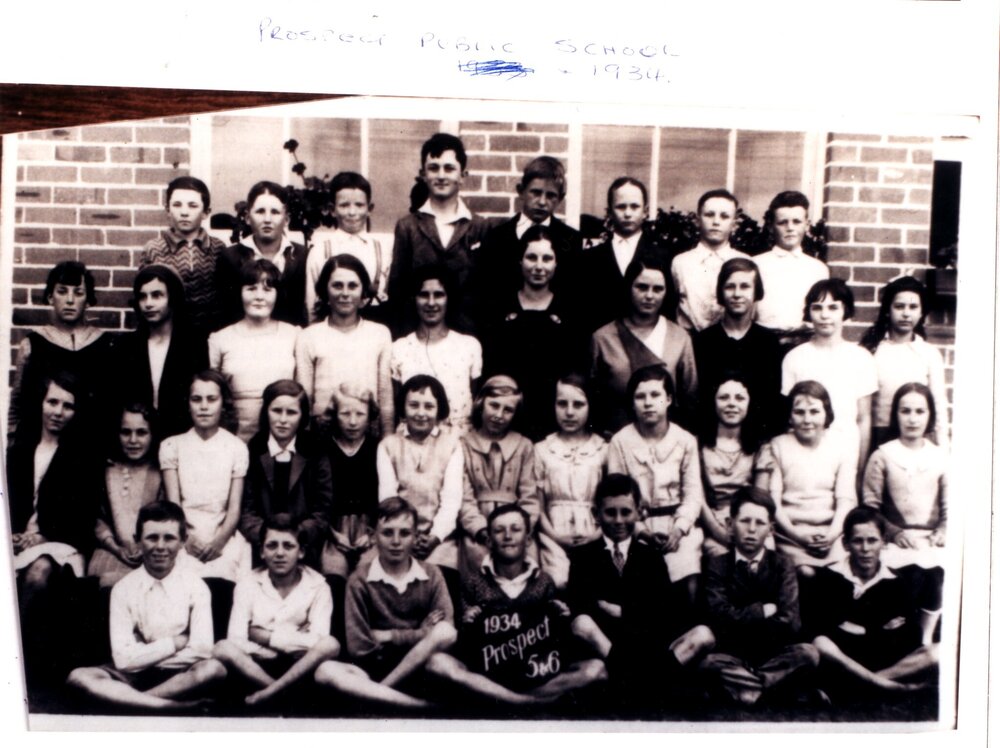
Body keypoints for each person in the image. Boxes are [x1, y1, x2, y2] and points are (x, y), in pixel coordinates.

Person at [567, 473, 714, 706]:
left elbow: (662, 611)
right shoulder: (583, 557)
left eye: (626, 512)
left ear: (639, 513)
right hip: (609, 647)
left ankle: (632, 685)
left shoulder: (650, 557)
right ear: (596, 515)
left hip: (647, 647)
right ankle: (651, 685)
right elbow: (581, 607)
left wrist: (620, 611)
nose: (618, 520)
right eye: (610, 512)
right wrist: (636, 612)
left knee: (703, 635)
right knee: (582, 624)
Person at [437, 505, 607, 704]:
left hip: (535, 674)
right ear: (489, 541)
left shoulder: (544, 581)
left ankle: (514, 700)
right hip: (489, 674)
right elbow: (464, 639)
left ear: (528, 539)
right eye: (499, 530)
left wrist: (562, 616)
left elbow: (556, 640)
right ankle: (526, 702)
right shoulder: (473, 581)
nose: (508, 536)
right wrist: (467, 619)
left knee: (597, 668)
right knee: (437, 663)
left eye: (515, 529)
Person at [66, 502, 226, 710]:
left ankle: (134, 701)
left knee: (214, 669)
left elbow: (202, 650)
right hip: (132, 675)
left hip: (180, 675)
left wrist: (143, 653)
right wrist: (175, 643)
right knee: (78, 677)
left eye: (169, 538)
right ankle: (169, 707)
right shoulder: (123, 588)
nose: (160, 546)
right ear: (138, 541)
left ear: (183, 542)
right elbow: (123, 660)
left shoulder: (196, 587)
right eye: (152, 537)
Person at [317, 497, 457, 707]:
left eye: (405, 533)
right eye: (387, 532)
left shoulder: (431, 573)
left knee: (445, 632)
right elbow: (359, 648)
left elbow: (447, 633)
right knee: (325, 671)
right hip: (374, 668)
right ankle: (419, 707)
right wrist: (420, 633)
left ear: (416, 536)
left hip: (423, 665)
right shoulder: (360, 579)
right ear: (373, 537)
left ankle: (383, 693)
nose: (396, 541)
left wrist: (387, 635)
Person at [699, 487, 819, 706]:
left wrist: (739, 619)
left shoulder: (783, 565)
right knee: (707, 663)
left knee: (808, 654)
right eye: (745, 521)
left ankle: (748, 689)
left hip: (773, 654)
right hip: (732, 654)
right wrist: (762, 611)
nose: (751, 530)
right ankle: (773, 691)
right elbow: (717, 619)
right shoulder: (717, 565)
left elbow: (791, 623)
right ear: (729, 524)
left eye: (760, 523)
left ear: (771, 529)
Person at [808, 506, 941, 696]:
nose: (865, 549)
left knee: (936, 652)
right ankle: (891, 687)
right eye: (857, 541)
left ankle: (853, 689)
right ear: (845, 544)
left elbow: (909, 636)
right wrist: (879, 629)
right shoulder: (828, 577)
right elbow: (820, 629)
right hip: (842, 660)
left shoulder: (896, 582)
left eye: (872, 541)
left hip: (880, 660)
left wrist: (858, 628)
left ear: (884, 543)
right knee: (820, 643)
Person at [213, 514, 340, 705]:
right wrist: (293, 640)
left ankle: (270, 693)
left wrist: (265, 637)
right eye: (272, 545)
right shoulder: (247, 584)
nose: (279, 553)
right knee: (222, 648)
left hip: (302, 666)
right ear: (262, 552)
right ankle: (280, 691)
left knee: (331, 644)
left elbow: (318, 641)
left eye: (288, 546)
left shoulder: (319, 586)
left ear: (301, 552)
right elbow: (236, 639)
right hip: (256, 667)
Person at [607, 365, 705, 603]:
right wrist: (643, 532)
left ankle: (688, 628)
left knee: (687, 569)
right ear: (632, 403)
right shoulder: (621, 441)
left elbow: (693, 494)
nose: (648, 403)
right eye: (640, 397)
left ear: (668, 399)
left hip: (677, 525)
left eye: (655, 395)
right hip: (636, 526)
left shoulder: (685, 440)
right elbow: (617, 494)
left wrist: (679, 529)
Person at [481, 224, 588, 441]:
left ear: (557, 262)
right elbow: (490, 369)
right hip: (508, 421)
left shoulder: (570, 312)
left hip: (555, 422)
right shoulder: (498, 308)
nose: (539, 266)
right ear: (520, 260)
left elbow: (577, 370)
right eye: (532, 257)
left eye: (547, 259)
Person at [387, 132, 492, 335]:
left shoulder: (479, 227)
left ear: (463, 175)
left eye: (449, 168)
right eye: (434, 168)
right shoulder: (408, 227)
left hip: (468, 334)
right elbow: (398, 290)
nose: (441, 175)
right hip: (418, 334)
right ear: (423, 174)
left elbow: (486, 291)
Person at [7, 371, 100, 593]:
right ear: (41, 403)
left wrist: (42, 537)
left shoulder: (83, 459)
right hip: (17, 544)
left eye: (68, 406)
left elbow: (84, 520)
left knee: (39, 573)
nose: (58, 412)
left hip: (60, 547)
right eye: (52, 402)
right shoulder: (18, 453)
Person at [755, 380, 856, 573]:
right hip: (791, 535)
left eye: (814, 411)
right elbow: (773, 503)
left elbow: (846, 501)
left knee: (840, 573)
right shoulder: (778, 446)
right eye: (799, 412)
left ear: (827, 413)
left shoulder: (841, 447)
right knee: (806, 573)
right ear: (790, 417)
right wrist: (799, 537)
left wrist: (832, 535)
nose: (807, 419)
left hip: (831, 533)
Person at [159, 370, 251, 582]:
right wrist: (186, 539)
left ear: (223, 403)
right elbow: (174, 506)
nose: (203, 406)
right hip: (183, 534)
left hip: (224, 535)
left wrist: (219, 543)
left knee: (224, 576)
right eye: (196, 399)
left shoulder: (236, 447)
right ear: (188, 403)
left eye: (211, 399)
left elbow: (234, 509)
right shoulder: (172, 446)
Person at [590, 256, 698, 435]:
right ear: (628, 288)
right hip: (615, 437)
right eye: (641, 287)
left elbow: (690, 397)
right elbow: (591, 398)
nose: (649, 296)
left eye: (658, 289)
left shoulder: (679, 338)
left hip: (666, 440)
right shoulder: (603, 338)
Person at [781, 278, 878, 470]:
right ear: (809, 312)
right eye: (817, 308)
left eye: (833, 307)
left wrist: (859, 470)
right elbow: (789, 419)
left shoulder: (861, 358)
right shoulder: (795, 358)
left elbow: (863, 418)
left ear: (845, 312)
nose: (825, 315)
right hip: (805, 455)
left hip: (847, 452)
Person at [8, 261, 111, 440]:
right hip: (41, 448)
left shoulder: (105, 344)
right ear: (50, 297)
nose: (70, 300)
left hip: (90, 449)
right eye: (62, 291)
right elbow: (18, 405)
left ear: (88, 301)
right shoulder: (33, 344)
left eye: (78, 293)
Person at [239, 380, 333, 572]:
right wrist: (269, 540)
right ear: (266, 412)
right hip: (262, 547)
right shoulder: (254, 449)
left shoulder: (315, 450)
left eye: (291, 413)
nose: (283, 419)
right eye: (276, 411)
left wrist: (295, 539)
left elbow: (322, 511)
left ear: (302, 416)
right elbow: (247, 511)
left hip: (304, 547)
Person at [296, 254, 394, 436]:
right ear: (325, 290)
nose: (345, 293)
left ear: (363, 291)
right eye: (337, 285)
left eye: (353, 286)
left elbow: (385, 396)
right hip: (323, 436)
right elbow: (304, 399)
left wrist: (387, 442)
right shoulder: (308, 336)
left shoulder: (380, 334)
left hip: (367, 437)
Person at [474, 155, 582, 320]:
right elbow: (485, 292)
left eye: (551, 195)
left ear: (560, 198)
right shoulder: (496, 237)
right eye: (536, 193)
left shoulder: (571, 239)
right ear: (521, 191)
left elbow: (573, 295)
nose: (542, 202)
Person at [110, 264, 208, 438]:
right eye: (142, 297)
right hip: (137, 441)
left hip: (182, 439)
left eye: (157, 295)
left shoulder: (194, 345)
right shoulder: (126, 346)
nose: (148, 304)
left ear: (172, 298)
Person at [377, 374, 463, 570]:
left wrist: (435, 536)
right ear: (403, 409)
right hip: (398, 534)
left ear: (439, 409)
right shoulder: (388, 446)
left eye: (429, 406)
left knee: (442, 577)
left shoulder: (452, 446)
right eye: (414, 405)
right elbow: (388, 499)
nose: (421, 413)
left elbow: (451, 499)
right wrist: (406, 536)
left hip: (441, 538)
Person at [208, 259, 299, 441]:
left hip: (282, 437)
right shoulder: (219, 339)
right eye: (251, 289)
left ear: (277, 294)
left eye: (267, 289)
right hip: (234, 437)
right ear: (239, 293)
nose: (259, 296)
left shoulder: (294, 335)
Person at [459, 375, 541, 578]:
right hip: (478, 530)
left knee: (527, 566)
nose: (499, 415)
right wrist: (480, 530)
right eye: (494, 406)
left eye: (508, 410)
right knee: (478, 566)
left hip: (516, 528)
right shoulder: (464, 445)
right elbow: (464, 498)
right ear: (481, 404)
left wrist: (520, 530)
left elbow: (529, 496)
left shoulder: (524, 446)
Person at [693, 257, 783, 438]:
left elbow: (773, 401)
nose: (737, 294)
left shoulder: (768, 342)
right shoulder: (703, 342)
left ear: (756, 291)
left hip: (758, 440)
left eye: (745, 286)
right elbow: (698, 400)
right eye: (729, 287)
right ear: (721, 292)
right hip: (712, 441)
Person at [861, 383, 947, 569]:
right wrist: (895, 533)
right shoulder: (881, 456)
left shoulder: (941, 458)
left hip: (932, 541)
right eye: (905, 411)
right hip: (893, 542)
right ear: (895, 415)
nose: (912, 419)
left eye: (920, 411)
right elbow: (871, 509)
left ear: (930, 414)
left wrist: (943, 530)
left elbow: (951, 508)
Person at [534, 374, 607, 588]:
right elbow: (537, 506)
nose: (569, 412)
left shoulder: (603, 449)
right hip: (553, 532)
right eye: (562, 404)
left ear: (590, 406)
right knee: (558, 581)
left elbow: (611, 500)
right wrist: (556, 537)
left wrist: (596, 535)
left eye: (578, 404)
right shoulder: (542, 450)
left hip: (595, 532)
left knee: (595, 584)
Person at [390, 264, 482, 433]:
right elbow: (397, 406)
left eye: (438, 295)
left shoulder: (469, 346)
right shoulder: (399, 348)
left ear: (449, 298)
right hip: (411, 444)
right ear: (414, 299)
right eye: (424, 295)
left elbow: (476, 401)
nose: (431, 303)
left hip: (458, 441)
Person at [859, 276, 948, 448]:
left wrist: (944, 451)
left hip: (916, 437)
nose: (906, 313)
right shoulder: (872, 351)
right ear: (888, 310)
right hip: (878, 436)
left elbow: (939, 407)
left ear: (921, 312)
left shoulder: (929, 354)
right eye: (899, 306)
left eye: (913, 307)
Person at [575, 176, 671, 333]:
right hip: (602, 347)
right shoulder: (589, 259)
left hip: (647, 346)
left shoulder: (663, 256)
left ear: (645, 212)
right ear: (609, 212)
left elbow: (668, 308)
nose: (627, 213)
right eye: (621, 207)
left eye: (634, 207)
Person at [88, 402, 165, 589]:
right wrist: (115, 548)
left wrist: (144, 546)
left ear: (152, 435)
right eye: (125, 432)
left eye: (141, 433)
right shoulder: (106, 470)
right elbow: (97, 518)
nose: (133, 440)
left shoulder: (160, 473)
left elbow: (164, 518)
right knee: (101, 581)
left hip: (150, 551)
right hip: (110, 549)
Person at [138, 175, 226, 333]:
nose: (184, 212)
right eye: (177, 205)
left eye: (193, 206)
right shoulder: (154, 248)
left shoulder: (218, 248)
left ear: (206, 212)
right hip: (168, 334)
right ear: (168, 210)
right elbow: (144, 298)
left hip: (211, 333)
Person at [217, 181, 310, 327]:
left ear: (286, 220)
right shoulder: (230, 257)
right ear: (248, 218)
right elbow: (225, 311)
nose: (267, 219)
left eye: (275, 212)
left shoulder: (302, 255)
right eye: (260, 211)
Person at [306, 171, 388, 322]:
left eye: (359, 205)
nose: (352, 212)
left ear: (369, 209)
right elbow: (311, 305)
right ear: (332, 209)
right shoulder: (320, 250)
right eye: (344, 205)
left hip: (373, 330)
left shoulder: (383, 250)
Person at [698, 374, 764, 557]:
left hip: (752, 523)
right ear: (713, 402)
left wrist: (744, 531)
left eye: (739, 398)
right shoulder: (697, 446)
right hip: (713, 524)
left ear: (750, 403)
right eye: (723, 397)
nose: (731, 404)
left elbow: (760, 498)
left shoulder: (761, 448)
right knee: (717, 555)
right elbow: (698, 497)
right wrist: (719, 532)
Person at [319, 383, 380, 578]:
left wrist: (372, 533)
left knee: (368, 573)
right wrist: (332, 533)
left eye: (360, 414)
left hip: (370, 529)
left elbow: (384, 495)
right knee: (333, 573)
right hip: (332, 530)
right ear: (334, 414)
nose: (353, 422)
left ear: (370, 416)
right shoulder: (323, 449)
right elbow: (316, 496)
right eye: (345, 414)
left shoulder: (377, 449)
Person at [752, 191, 829, 341]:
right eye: (782, 222)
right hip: (764, 342)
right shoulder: (756, 264)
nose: (790, 228)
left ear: (807, 225)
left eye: (796, 221)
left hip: (805, 342)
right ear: (771, 226)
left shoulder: (818, 269)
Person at [670, 189, 750, 332]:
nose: (716, 222)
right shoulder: (681, 263)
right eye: (709, 215)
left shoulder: (745, 262)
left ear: (734, 224)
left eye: (724, 216)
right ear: (697, 220)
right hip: (689, 342)